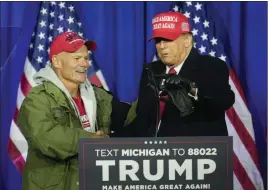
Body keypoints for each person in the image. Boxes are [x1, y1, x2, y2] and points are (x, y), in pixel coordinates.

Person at [17, 32, 131, 190]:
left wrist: (153, 98)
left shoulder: (98, 96)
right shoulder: (37, 99)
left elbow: (131, 117)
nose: (85, 64)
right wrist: (90, 140)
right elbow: (45, 137)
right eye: (77, 58)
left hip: (92, 182)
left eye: (86, 58)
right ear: (56, 62)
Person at [111, 11, 235, 138]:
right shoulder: (151, 70)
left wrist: (191, 90)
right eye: (158, 41)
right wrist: (110, 140)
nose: (162, 46)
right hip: (156, 153)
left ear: (187, 40)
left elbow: (224, 100)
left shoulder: (212, 66)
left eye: (168, 39)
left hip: (197, 153)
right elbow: (144, 119)